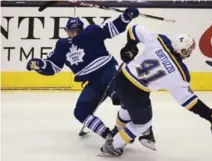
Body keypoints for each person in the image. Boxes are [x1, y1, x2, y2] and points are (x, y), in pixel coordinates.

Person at [100, 24, 212, 156]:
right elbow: (189, 102)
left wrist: (130, 47)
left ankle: (117, 130)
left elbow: (134, 29)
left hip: (121, 77)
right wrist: (210, 114)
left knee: (126, 107)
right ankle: (112, 145)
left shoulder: (160, 40)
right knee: (142, 124)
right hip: (136, 92)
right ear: (186, 51)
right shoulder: (180, 73)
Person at [26, 7, 140, 140]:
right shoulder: (62, 46)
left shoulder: (91, 32)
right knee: (80, 112)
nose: (74, 34)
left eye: (77, 31)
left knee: (120, 98)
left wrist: (126, 17)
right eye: (71, 31)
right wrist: (39, 65)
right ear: (66, 31)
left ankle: (138, 128)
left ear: (82, 29)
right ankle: (108, 136)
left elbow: (112, 28)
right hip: (93, 83)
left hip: (108, 73)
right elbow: (53, 67)